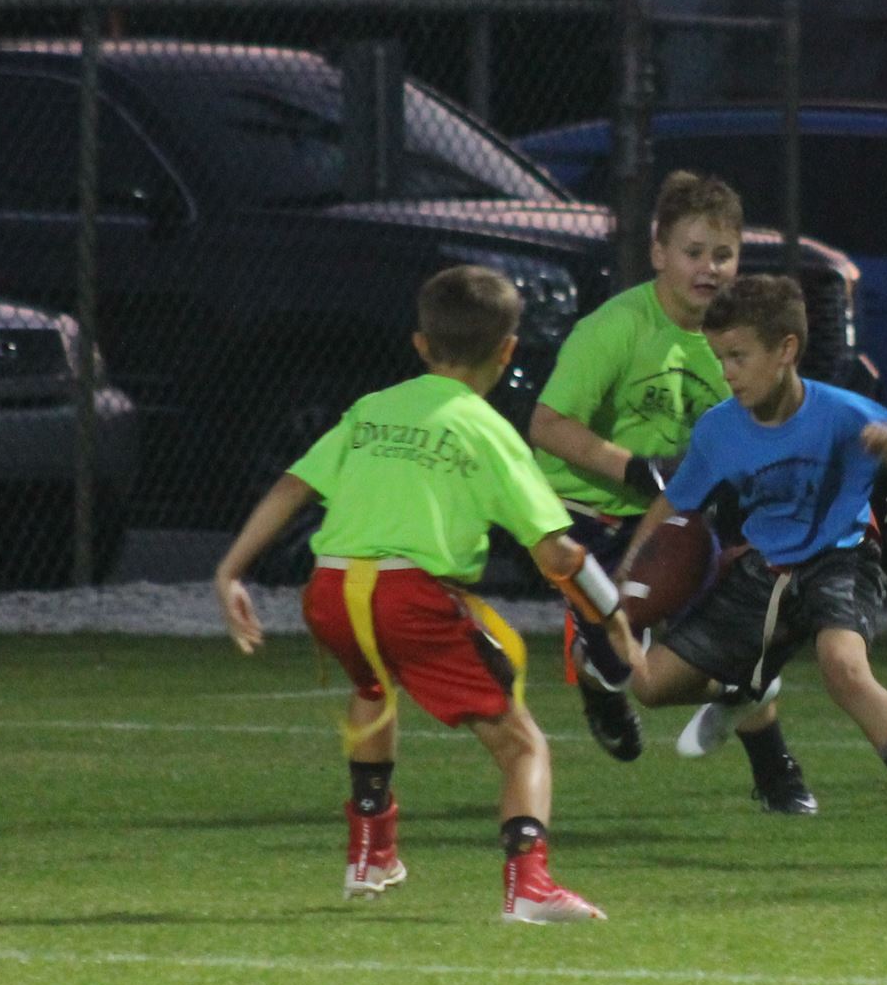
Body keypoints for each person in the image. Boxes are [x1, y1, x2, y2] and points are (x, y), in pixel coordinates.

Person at [214, 263, 632, 922]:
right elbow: (557, 553)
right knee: (523, 745)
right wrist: (612, 614)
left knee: (373, 688)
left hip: (329, 589)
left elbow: (294, 485)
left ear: (420, 344)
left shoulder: (373, 408)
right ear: (507, 351)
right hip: (409, 594)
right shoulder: (489, 430)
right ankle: (529, 883)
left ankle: (370, 850)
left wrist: (230, 570)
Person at [619, 274, 887, 846]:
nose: (727, 372)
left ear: (786, 350)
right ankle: (746, 689)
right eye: (720, 358)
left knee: (843, 664)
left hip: (841, 559)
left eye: (738, 356)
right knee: (651, 685)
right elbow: (674, 503)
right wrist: (629, 573)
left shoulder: (843, 413)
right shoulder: (719, 430)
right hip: (764, 570)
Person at [525, 171, 826, 810]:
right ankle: (599, 674)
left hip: (676, 518)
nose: (709, 268)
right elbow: (546, 425)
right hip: (585, 517)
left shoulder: (739, 342)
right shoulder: (616, 328)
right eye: (693, 253)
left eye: (723, 255)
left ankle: (775, 772)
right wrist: (634, 467)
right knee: (621, 656)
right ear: (658, 253)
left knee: (729, 635)